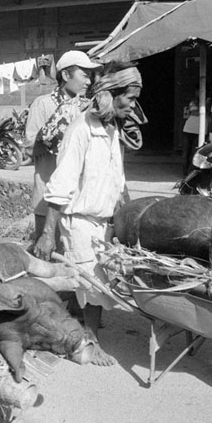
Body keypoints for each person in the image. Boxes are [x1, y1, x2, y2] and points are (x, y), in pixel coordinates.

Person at [34, 61, 143, 367]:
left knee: (96, 283)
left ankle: (74, 331)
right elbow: (62, 183)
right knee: (91, 284)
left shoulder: (111, 129)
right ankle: (87, 341)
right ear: (110, 94)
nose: (133, 106)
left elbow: (117, 179)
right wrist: (47, 233)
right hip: (79, 221)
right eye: (130, 99)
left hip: (103, 221)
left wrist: (124, 211)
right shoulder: (81, 128)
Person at [23, 50, 101, 242]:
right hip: (48, 195)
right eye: (84, 75)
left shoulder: (89, 108)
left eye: (90, 76)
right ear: (66, 75)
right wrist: (58, 132)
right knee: (46, 252)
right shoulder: (43, 105)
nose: (89, 82)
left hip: (78, 198)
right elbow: (28, 149)